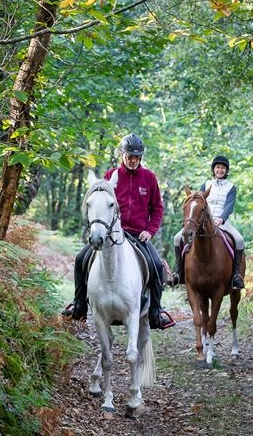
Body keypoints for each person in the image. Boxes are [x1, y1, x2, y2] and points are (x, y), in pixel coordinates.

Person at [62, 133, 174, 329]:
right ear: (122, 154)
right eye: (130, 156)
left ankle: (156, 310)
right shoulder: (110, 176)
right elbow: (99, 204)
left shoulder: (149, 178)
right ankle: (79, 304)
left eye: (137, 157)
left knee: (156, 265)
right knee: (81, 259)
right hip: (111, 234)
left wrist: (150, 231)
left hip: (139, 235)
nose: (133, 160)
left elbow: (157, 209)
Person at [172, 155, 245, 289]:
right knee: (177, 238)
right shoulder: (206, 184)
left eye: (223, 168)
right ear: (213, 169)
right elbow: (199, 202)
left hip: (222, 222)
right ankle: (178, 273)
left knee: (239, 240)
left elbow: (229, 205)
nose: (220, 170)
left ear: (226, 170)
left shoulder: (231, 187)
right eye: (217, 167)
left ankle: (236, 275)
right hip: (202, 221)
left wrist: (221, 218)